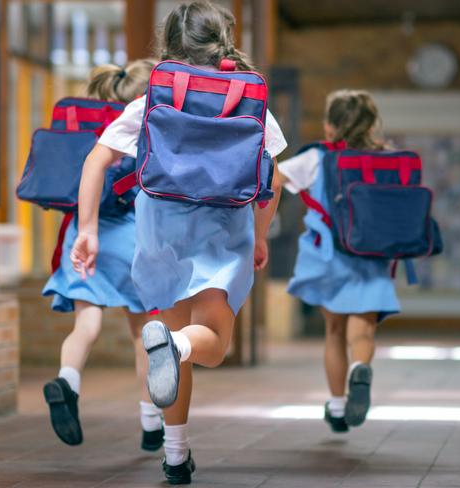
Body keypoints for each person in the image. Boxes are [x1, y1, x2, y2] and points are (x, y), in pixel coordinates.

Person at [70, 2, 287, 484]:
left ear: (169, 42)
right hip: (223, 229)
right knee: (209, 343)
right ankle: (176, 346)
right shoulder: (249, 99)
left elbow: (96, 161)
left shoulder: (152, 97)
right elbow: (275, 174)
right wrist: (260, 232)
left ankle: (175, 453)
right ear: (223, 38)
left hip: (159, 229)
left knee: (170, 339)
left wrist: (87, 229)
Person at [42, 59, 166, 452]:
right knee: (140, 334)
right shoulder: (141, 122)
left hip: (85, 233)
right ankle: (151, 423)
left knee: (86, 325)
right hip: (131, 237)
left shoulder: (91, 126)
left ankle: (67, 381)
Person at [278, 90, 400, 433]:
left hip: (328, 255)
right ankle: (361, 366)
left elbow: (272, 181)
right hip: (372, 256)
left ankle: (336, 405)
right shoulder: (386, 158)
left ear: (330, 127)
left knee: (333, 330)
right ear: (369, 124)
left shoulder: (316, 157)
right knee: (362, 329)